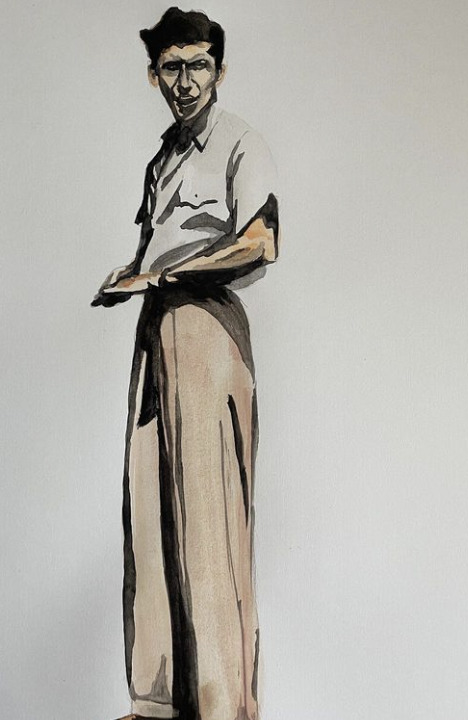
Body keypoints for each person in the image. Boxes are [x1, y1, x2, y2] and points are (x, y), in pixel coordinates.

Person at [92, 8, 279, 720]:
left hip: (206, 329)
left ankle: (223, 707)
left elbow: (260, 242)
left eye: (198, 65)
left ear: (219, 70)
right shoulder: (162, 157)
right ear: (154, 76)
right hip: (155, 330)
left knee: (208, 525)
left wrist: (164, 276)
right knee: (148, 513)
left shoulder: (240, 141)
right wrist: (132, 276)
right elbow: (156, 246)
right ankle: (157, 703)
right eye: (171, 67)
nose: (186, 81)